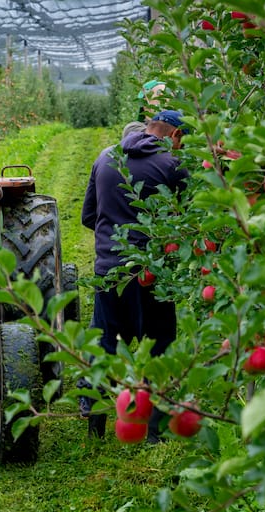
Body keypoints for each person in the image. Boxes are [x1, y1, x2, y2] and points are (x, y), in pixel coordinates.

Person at [80, 110, 190, 442]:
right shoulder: (172, 166)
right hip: (151, 271)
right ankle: (155, 429)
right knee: (159, 344)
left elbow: (89, 215)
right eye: (182, 140)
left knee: (104, 341)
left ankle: (95, 417)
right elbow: (188, 220)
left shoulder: (105, 157)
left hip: (108, 271)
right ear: (174, 135)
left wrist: (113, 234)